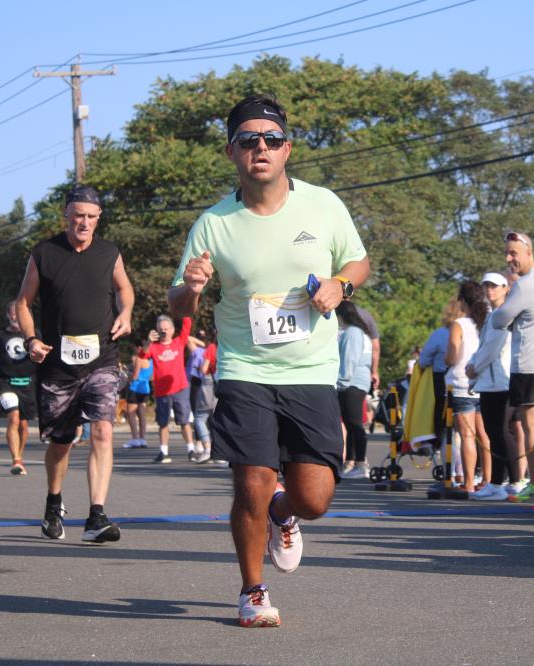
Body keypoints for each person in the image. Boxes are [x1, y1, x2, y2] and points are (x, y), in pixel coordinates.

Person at [168, 94, 370, 627]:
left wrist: (341, 285)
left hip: (312, 371)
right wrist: (191, 289)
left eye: (271, 139)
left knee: (314, 498)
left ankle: (285, 513)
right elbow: (179, 303)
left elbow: (357, 261)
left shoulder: (323, 205)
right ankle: (252, 590)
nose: (261, 147)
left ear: (287, 149)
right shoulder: (213, 224)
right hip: (245, 368)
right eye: (248, 140)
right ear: (231, 151)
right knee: (252, 481)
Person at [15, 184, 134, 543]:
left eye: (91, 217)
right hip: (58, 364)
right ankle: (54, 502)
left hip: (102, 357)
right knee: (62, 442)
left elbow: (124, 288)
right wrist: (32, 340)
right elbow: (22, 303)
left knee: (103, 430)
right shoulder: (44, 253)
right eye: (78, 215)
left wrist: (126, 313)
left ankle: (96, 515)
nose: (84, 223)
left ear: (99, 218)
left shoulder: (109, 252)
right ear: (66, 215)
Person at [489, 231, 534, 500]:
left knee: (531, 426)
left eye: (513, 253)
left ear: (529, 252)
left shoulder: (525, 284)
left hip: (528, 364)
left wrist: (510, 314)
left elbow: (498, 319)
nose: (509, 259)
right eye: (506, 253)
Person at [465, 272, 514, 500]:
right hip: (489, 383)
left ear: (505, 288)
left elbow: (493, 349)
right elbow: (482, 347)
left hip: (499, 383)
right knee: (495, 433)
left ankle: (500, 483)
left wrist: (475, 367)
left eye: (494, 286)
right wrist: (472, 365)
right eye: (486, 286)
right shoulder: (493, 316)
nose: (489, 290)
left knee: (498, 433)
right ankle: (504, 481)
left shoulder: (502, 315)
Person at [446, 281, 489, 495]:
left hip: (462, 384)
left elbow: (452, 356)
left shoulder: (459, 324)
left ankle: (469, 482)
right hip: (485, 383)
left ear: (462, 301)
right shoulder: (487, 322)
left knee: (467, 435)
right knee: (484, 435)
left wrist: (445, 360)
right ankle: (488, 481)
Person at [0, 300, 39, 475]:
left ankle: (19, 455)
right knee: (14, 418)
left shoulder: (34, 334)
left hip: (28, 384)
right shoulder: (0, 335)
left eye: (19, 314)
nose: (16, 317)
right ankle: (15, 459)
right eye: (13, 314)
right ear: (8, 316)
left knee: (23, 425)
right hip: (7, 382)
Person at [144, 315, 196, 463]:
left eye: (166, 328)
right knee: (163, 423)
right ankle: (163, 452)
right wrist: (148, 341)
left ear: (172, 330)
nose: (164, 331)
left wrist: (183, 308)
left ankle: (191, 450)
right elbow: (143, 355)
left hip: (180, 388)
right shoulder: (154, 347)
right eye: (161, 329)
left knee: (184, 421)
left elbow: (187, 324)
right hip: (162, 392)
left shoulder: (179, 342)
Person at [337, 302, 374, 479]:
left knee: (355, 424)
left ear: (341, 315)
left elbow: (349, 360)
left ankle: (360, 463)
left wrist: (341, 382)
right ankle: (351, 462)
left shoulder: (352, 332)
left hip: (352, 383)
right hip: (355, 382)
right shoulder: (357, 332)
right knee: (351, 424)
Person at [418, 297, 457, 451]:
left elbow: (424, 360)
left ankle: (438, 442)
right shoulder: (475, 331)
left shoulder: (440, 334)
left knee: (439, 411)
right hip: (466, 379)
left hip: (441, 378)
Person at [188, 329, 216, 463]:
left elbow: (204, 368)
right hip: (224, 382)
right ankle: (220, 451)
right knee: (217, 418)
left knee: (200, 418)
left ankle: (208, 449)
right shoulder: (228, 346)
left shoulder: (211, 348)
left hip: (209, 382)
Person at [123, 338, 153, 449]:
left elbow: (135, 376)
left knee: (130, 413)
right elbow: (151, 376)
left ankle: (135, 438)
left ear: (139, 348)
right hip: (145, 388)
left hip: (135, 388)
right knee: (142, 414)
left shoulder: (138, 358)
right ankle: (142, 439)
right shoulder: (151, 360)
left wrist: (127, 376)